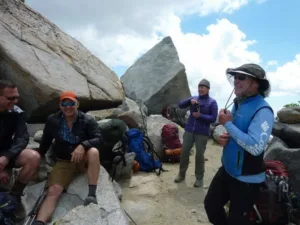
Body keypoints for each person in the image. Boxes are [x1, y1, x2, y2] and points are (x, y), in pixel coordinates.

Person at [204, 64, 274, 225]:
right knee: (211, 205)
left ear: (256, 83)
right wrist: (224, 137)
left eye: (241, 77)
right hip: (227, 170)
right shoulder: (238, 103)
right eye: (235, 77)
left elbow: (256, 147)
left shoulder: (263, 110)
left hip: (247, 179)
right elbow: (237, 133)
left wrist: (228, 125)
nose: (236, 80)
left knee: (236, 220)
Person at [33, 91, 102, 225]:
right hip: (64, 161)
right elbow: (46, 139)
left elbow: (99, 138)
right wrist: (39, 155)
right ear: (60, 105)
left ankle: (92, 194)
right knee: (53, 190)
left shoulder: (87, 120)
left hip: (83, 158)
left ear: (77, 104)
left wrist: (83, 145)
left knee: (93, 152)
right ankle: (39, 222)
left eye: (71, 103)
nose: (68, 106)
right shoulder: (53, 120)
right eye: (64, 103)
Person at [0, 79, 41, 219]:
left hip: (6, 153)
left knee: (33, 157)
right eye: (10, 98)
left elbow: (22, 138)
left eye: (17, 97)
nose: (15, 101)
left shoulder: (17, 112)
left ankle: (14, 197)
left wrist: (7, 157)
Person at [174, 78, 218, 187]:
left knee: (199, 156)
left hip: (202, 133)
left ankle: (199, 179)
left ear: (208, 89)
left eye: (203, 87)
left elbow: (213, 118)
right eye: (199, 87)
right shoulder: (193, 98)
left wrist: (200, 116)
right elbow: (180, 105)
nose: (200, 89)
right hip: (189, 130)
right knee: (184, 153)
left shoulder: (212, 102)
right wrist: (189, 101)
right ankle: (181, 174)